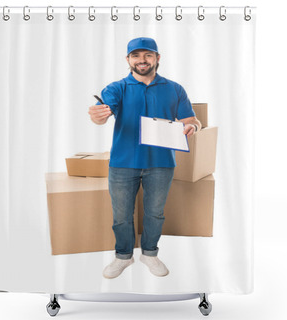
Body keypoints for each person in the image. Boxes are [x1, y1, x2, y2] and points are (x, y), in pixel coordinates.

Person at [88, 37, 201, 279]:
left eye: (148, 55)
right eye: (136, 56)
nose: (142, 60)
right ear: (128, 60)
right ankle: (123, 257)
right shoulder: (116, 88)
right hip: (122, 163)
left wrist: (194, 127)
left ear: (157, 58)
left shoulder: (174, 89)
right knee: (121, 215)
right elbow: (101, 116)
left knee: (155, 213)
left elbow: (191, 121)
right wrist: (98, 115)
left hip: (161, 163)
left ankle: (149, 254)